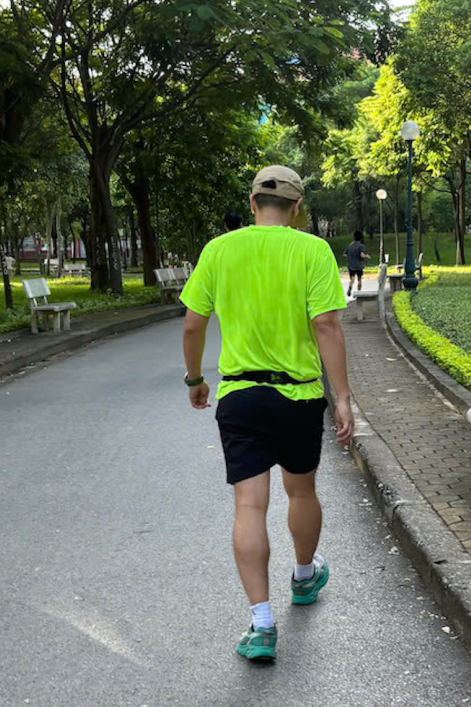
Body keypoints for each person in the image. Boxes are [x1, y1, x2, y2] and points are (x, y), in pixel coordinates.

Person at [181, 165, 355, 662]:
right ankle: (304, 576)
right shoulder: (313, 251)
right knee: (301, 491)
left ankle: (261, 624)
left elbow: (193, 325)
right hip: (299, 396)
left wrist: (195, 379)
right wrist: (343, 397)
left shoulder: (219, 250)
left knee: (250, 506)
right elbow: (326, 326)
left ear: (253, 203)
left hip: (241, 396)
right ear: (297, 208)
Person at [342, 230, 369, 298]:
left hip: (351, 265)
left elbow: (344, 254)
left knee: (352, 279)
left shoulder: (350, 245)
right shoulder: (361, 246)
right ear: (361, 238)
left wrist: (350, 257)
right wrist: (367, 256)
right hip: (359, 265)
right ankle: (359, 293)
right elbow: (362, 255)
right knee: (359, 279)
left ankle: (350, 286)